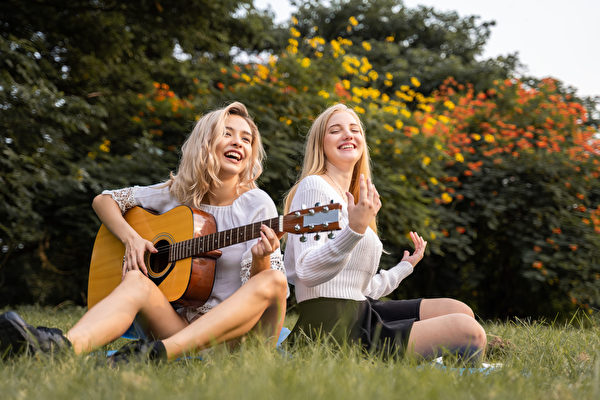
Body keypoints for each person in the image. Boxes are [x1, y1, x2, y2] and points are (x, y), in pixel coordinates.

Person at [0, 102, 288, 364]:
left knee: (273, 278)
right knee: (137, 280)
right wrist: (132, 239)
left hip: (236, 341)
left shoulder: (256, 204)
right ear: (206, 142)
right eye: (227, 133)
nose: (238, 142)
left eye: (246, 139)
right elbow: (105, 200)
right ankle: (58, 350)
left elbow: (263, 294)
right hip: (179, 330)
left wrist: (261, 259)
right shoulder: (177, 193)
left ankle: (155, 355)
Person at [283, 103, 486, 360]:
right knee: (468, 331)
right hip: (330, 324)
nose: (348, 134)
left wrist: (404, 267)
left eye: (354, 129)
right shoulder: (314, 187)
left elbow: (361, 288)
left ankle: (460, 359)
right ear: (320, 144)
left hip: (361, 309)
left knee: (459, 310)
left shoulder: (357, 198)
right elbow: (307, 271)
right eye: (336, 130)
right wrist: (355, 229)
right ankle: (464, 365)